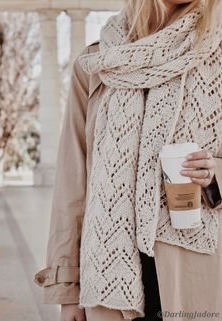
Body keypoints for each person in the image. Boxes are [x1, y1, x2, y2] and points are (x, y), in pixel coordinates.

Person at [34, 1, 222, 320]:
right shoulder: (95, 63)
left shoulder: (215, 50)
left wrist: (215, 173)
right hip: (108, 273)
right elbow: (72, 185)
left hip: (196, 269)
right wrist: (68, 288)